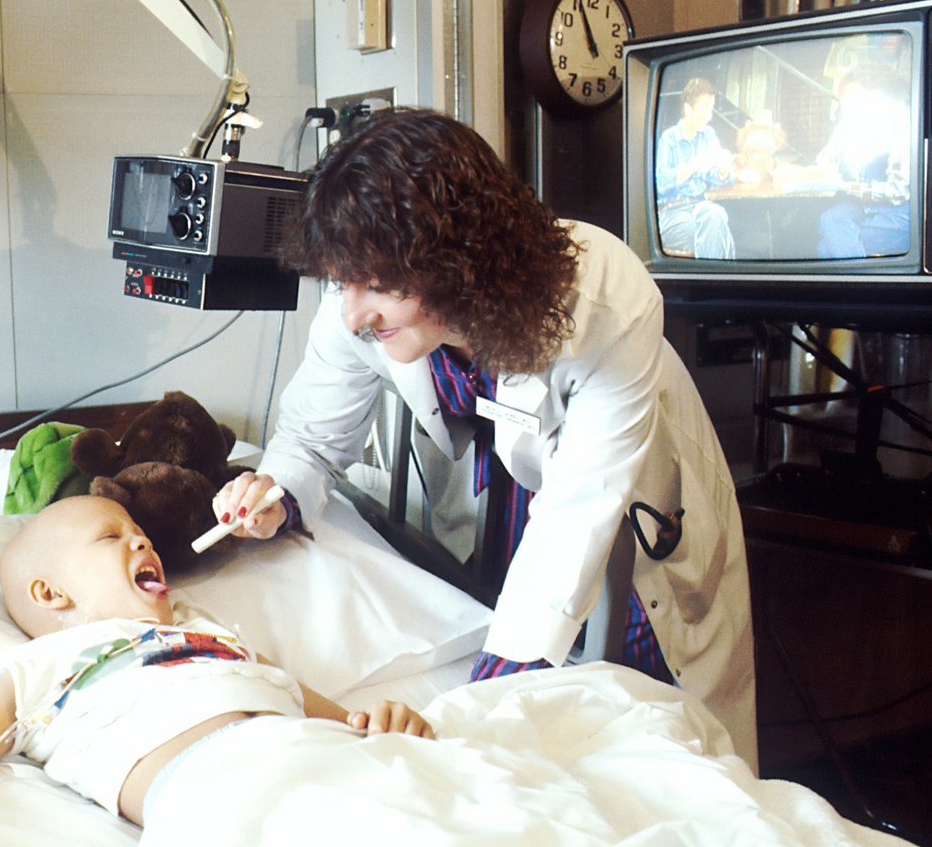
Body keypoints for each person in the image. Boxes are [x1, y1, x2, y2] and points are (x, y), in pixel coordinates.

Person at [213, 106, 757, 767]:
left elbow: (577, 514)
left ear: (454, 258)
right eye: (340, 282)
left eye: (374, 284)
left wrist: (479, 708)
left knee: (660, 734)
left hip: (630, 503)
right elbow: (310, 441)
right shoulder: (355, 308)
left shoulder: (602, 300)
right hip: (518, 502)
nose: (353, 312)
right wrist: (274, 492)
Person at [0, 494, 433, 847]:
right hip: (220, 792)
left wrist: (388, 723)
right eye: (112, 537)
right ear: (50, 593)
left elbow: (348, 719)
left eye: (141, 535)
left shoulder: (209, 631)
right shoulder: (41, 668)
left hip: (323, 755)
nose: (141, 543)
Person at [814, 69, 912, 258]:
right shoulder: (855, 123)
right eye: (845, 99)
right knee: (827, 220)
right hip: (869, 208)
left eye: (855, 95)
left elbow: (898, 191)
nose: (849, 103)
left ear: (878, 93)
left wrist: (848, 187)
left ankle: (857, 281)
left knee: (826, 246)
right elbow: (824, 161)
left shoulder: (901, 124)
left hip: (901, 217)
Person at [653, 77, 737, 259]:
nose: (710, 115)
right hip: (672, 210)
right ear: (688, 109)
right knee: (711, 233)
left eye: (712, 108)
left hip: (701, 206)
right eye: (705, 107)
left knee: (716, 214)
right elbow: (659, 185)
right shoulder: (669, 139)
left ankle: (712, 280)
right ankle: (720, 279)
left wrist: (723, 170)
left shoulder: (709, 135)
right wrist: (693, 166)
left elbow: (718, 177)